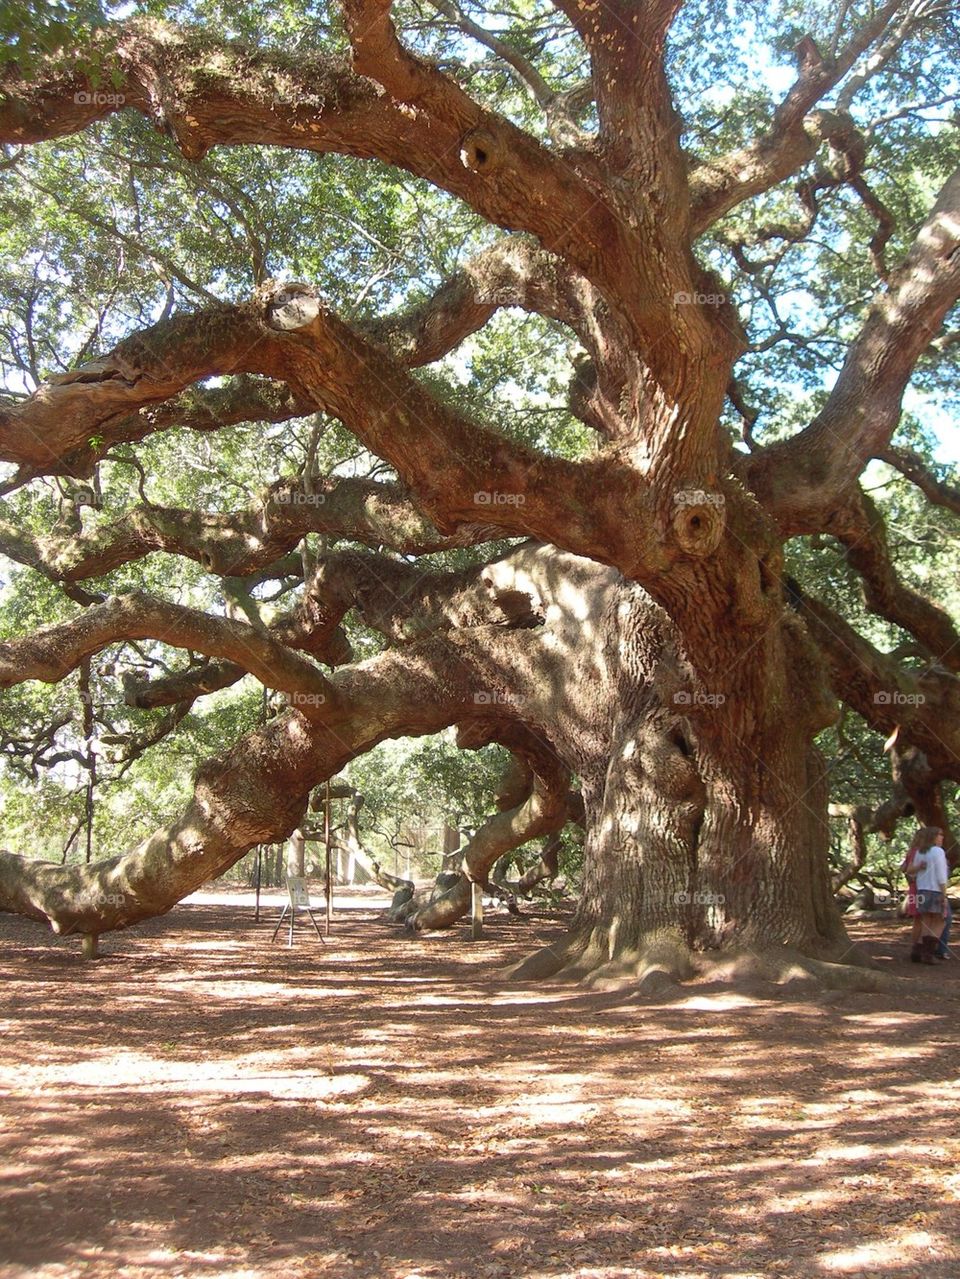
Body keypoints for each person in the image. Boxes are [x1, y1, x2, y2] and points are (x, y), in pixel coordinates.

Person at [910, 827, 951, 966]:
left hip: (922, 890)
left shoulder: (920, 851)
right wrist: (944, 895)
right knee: (940, 921)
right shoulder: (938, 852)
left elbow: (912, 872)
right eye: (940, 835)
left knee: (926, 920)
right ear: (933, 837)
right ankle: (928, 953)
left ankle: (918, 950)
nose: (942, 838)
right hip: (935, 890)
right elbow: (941, 875)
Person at [901, 835, 924, 963]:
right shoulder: (918, 852)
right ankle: (918, 948)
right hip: (919, 886)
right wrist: (920, 867)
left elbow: (903, 868)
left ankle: (916, 947)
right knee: (921, 918)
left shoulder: (911, 852)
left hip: (913, 887)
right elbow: (908, 869)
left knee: (918, 919)